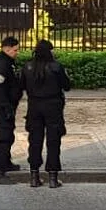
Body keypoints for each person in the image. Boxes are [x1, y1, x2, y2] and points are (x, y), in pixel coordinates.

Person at [20, 39, 72, 188]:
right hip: (53, 106)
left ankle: (34, 176)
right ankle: (53, 178)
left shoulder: (28, 67)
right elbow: (67, 86)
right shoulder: (56, 67)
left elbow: (21, 85)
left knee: (35, 141)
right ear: (49, 51)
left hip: (34, 106)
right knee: (53, 141)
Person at [0, 36, 23, 182]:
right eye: (15, 50)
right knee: (4, 135)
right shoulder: (2, 64)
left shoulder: (8, 62)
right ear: (7, 49)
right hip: (3, 105)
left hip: (8, 104)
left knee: (9, 133)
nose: (17, 52)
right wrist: (6, 107)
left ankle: (6, 162)